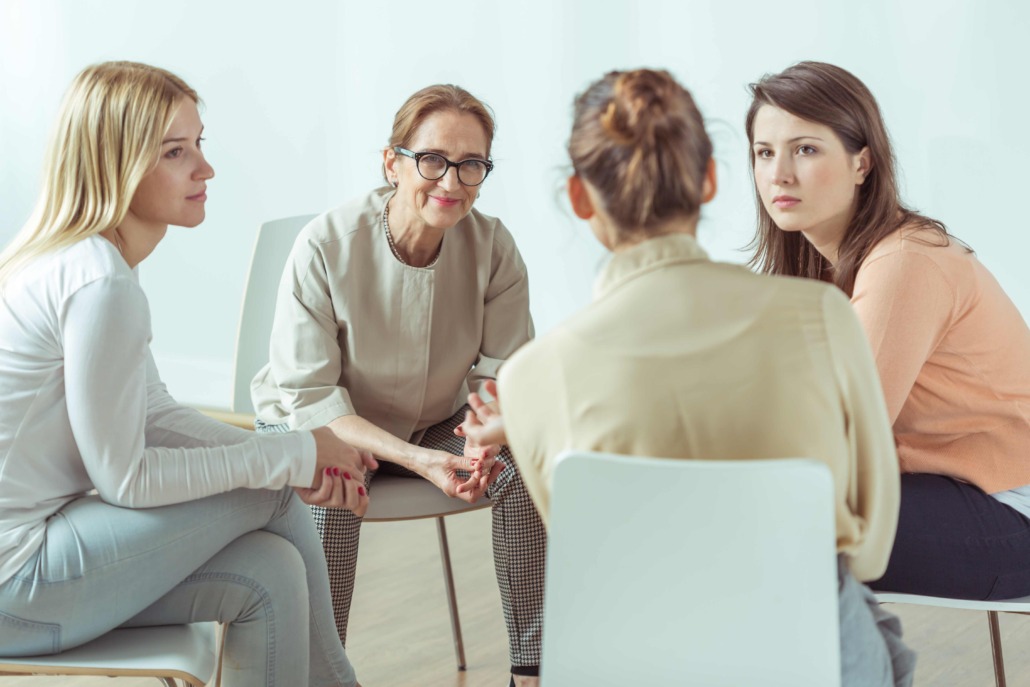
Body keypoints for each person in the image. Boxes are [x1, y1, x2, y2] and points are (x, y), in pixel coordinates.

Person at [462, 68, 916, 687]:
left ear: (579, 198)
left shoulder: (531, 380)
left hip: (631, 667)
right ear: (709, 179)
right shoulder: (821, 316)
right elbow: (872, 542)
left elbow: (590, 559)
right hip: (808, 656)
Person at [0, 61, 377, 687]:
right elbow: (125, 477)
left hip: (34, 563)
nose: (205, 168)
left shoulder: (90, 262)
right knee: (272, 484)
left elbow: (156, 415)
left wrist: (299, 452)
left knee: (268, 573)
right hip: (17, 583)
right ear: (117, 164)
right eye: (176, 152)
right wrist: (294, 456)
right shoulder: (99, 284)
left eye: (198, 143)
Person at [251, 84, 545, 685]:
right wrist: (421, 462)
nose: (452, 181)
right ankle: (320, 674)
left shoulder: (494, 247)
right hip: (322, 424)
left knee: (524, 467)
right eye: (432, 160)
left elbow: (501, 373)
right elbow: (312, 400)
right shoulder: (325, 246)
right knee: (335, 479)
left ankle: (530, 670)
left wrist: (481, 441)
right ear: (393, 162)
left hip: (430, 421)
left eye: (471, 165)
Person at [745, 60, 1030, 602]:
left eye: (805, 149)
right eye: (764, 152)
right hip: (940, 488)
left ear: (862, 162)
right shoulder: (816, 269)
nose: (779, 173)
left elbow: (843, 437)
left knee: (775, 528)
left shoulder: (905, 262)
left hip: (1009, 506)